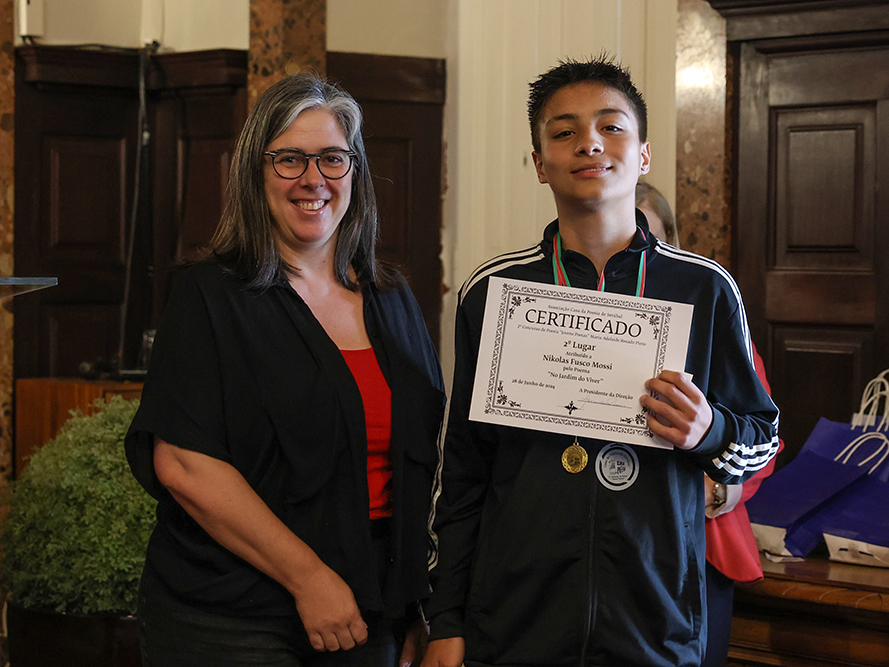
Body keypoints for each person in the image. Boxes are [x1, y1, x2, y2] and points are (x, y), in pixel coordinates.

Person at [422, 56, 780, 667]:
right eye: (564, 132)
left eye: (611, 127)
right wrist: (446, 620)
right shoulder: (496, 292)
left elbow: (762, 440)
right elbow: (463, 473)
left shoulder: (705, 289)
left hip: (653, 622)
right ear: (540, 163)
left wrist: (709, 431)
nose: (589, 143)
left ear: (643, 155)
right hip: (512, 622)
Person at [125, 73, 445, 667]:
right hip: (232, 617)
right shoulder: (210, 296)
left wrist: (417, 598)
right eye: (290, 159)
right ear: (256, 172)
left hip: (371, 608)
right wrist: (309, 579)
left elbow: (418, 458)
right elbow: (186, 464)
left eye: (332, 158)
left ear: (355, 172)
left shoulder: (392, 296)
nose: (313, 179)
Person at [637, 180, 783, 667]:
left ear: (671, 243)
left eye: (647, 236)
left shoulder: (714, 315)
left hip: (699, 543)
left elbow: (762, 437)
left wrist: (718, 491)